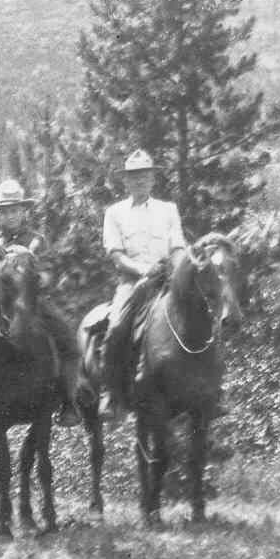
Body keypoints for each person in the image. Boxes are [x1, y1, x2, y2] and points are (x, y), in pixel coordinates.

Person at [0, 178, 86, 430]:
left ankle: (68, 402)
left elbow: (49, 274)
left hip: (31, 299)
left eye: (15, 210)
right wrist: (4, 278)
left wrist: (33, 278)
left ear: (23, 212)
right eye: (5, 211)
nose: (10, 216)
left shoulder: (37, 240)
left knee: (68, 340)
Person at [98, 149, 187, 420]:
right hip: (132, 282)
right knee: (115, 329)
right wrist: (142, 270)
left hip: (166, 280)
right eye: (134, 177)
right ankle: (110, 394)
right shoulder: (115, 213)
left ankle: (208, 389)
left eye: (145, 176)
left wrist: (179, 266)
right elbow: (115, 254)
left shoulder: (168, 210)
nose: (140, 182)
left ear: (153, 180)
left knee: (201, 316)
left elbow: (177, 246)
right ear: (125, 181)